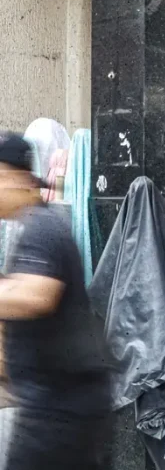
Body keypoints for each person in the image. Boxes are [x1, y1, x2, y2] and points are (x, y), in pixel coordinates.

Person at [0, 132, 113, 469]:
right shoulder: (28, 227)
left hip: (61, 409)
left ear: (17, 177)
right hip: (55, 405)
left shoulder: (42, 227)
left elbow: (37, 296)